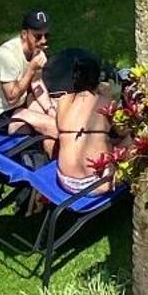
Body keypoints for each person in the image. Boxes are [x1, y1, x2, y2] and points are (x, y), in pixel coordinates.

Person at [0, 7, 58, 149]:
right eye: (38, 36)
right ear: (24, 34)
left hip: (18, 103)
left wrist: (50, 109)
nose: (44, 41)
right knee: (51, 126)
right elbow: (11, 97)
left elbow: (37, 82)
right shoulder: (7, 57)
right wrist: (31, 68)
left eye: (47, 35)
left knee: (57, 114)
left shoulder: (36, 51)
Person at [52, 53, 118, 194]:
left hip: (66, 181)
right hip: (96, 183)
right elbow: (123, 129)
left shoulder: (63, 101)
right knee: (130, 139)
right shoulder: (105, 103)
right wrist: (113, 97)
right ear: (97, 79)